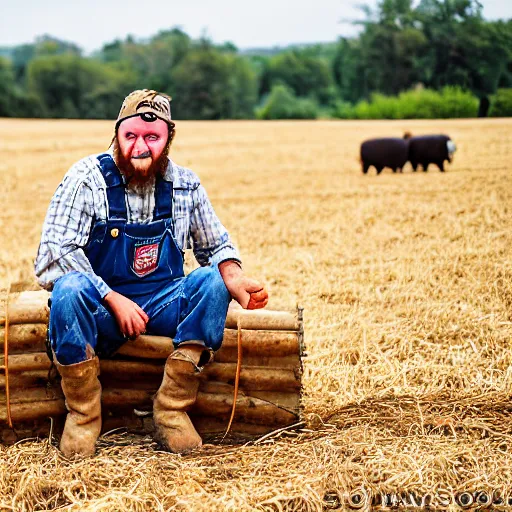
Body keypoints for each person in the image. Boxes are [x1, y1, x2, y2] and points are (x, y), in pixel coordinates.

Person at [34, 89, 268, 457]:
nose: (140, 146)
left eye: (152, 137)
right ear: (117, 134)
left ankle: (171, 408)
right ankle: (83, 416)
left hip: (163, 305)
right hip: (100, 309)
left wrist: (235, 278)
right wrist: (112, 298)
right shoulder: (86, 179)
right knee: (68, 289)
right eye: (131, 136)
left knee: (212, 281)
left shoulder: (185, 185)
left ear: (167, 139)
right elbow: (53, 254)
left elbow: (217, 246)